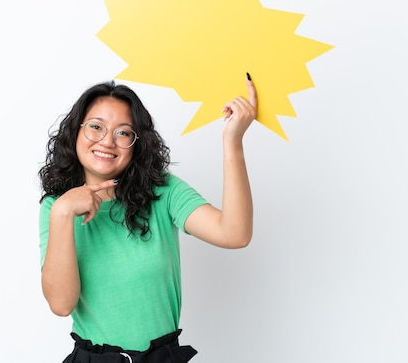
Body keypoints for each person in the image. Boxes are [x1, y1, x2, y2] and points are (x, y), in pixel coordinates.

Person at [38, 74, 257, 363]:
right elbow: (61, 304)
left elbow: (235, 234)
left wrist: (233, 141)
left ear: (136, 143)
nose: (107, 141)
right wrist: (63, 213)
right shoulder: (56, 208)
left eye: (123, 132)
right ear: (76, 132)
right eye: (96, 127)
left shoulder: (163, 191)